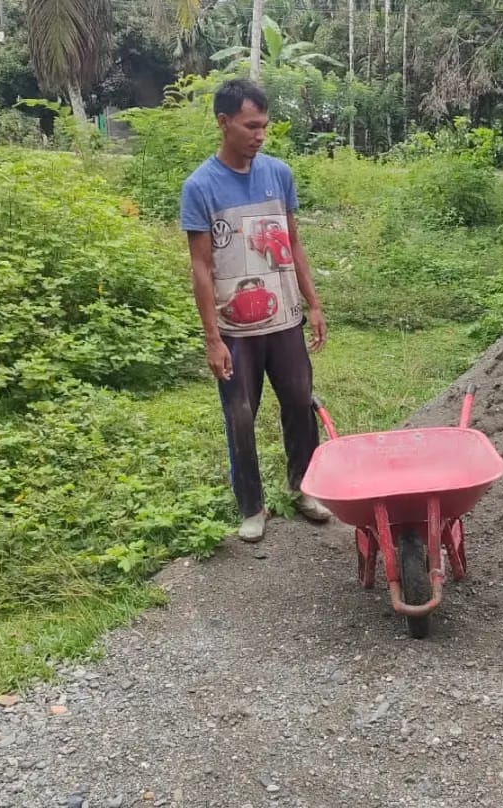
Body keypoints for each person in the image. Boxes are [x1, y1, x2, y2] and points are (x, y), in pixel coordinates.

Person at [181, 78, 332, 541]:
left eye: (264, 126)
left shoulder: (278, 174)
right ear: (223, 123)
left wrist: (313, 302)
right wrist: (212, 337)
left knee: (299, 403)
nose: (259, 135)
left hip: (284, 319)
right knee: (240, 414)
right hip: (234, 329)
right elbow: (201, 267)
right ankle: (251, 506)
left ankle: (305, 487)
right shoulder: (200, 187)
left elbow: (293, 243)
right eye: (251, 126)